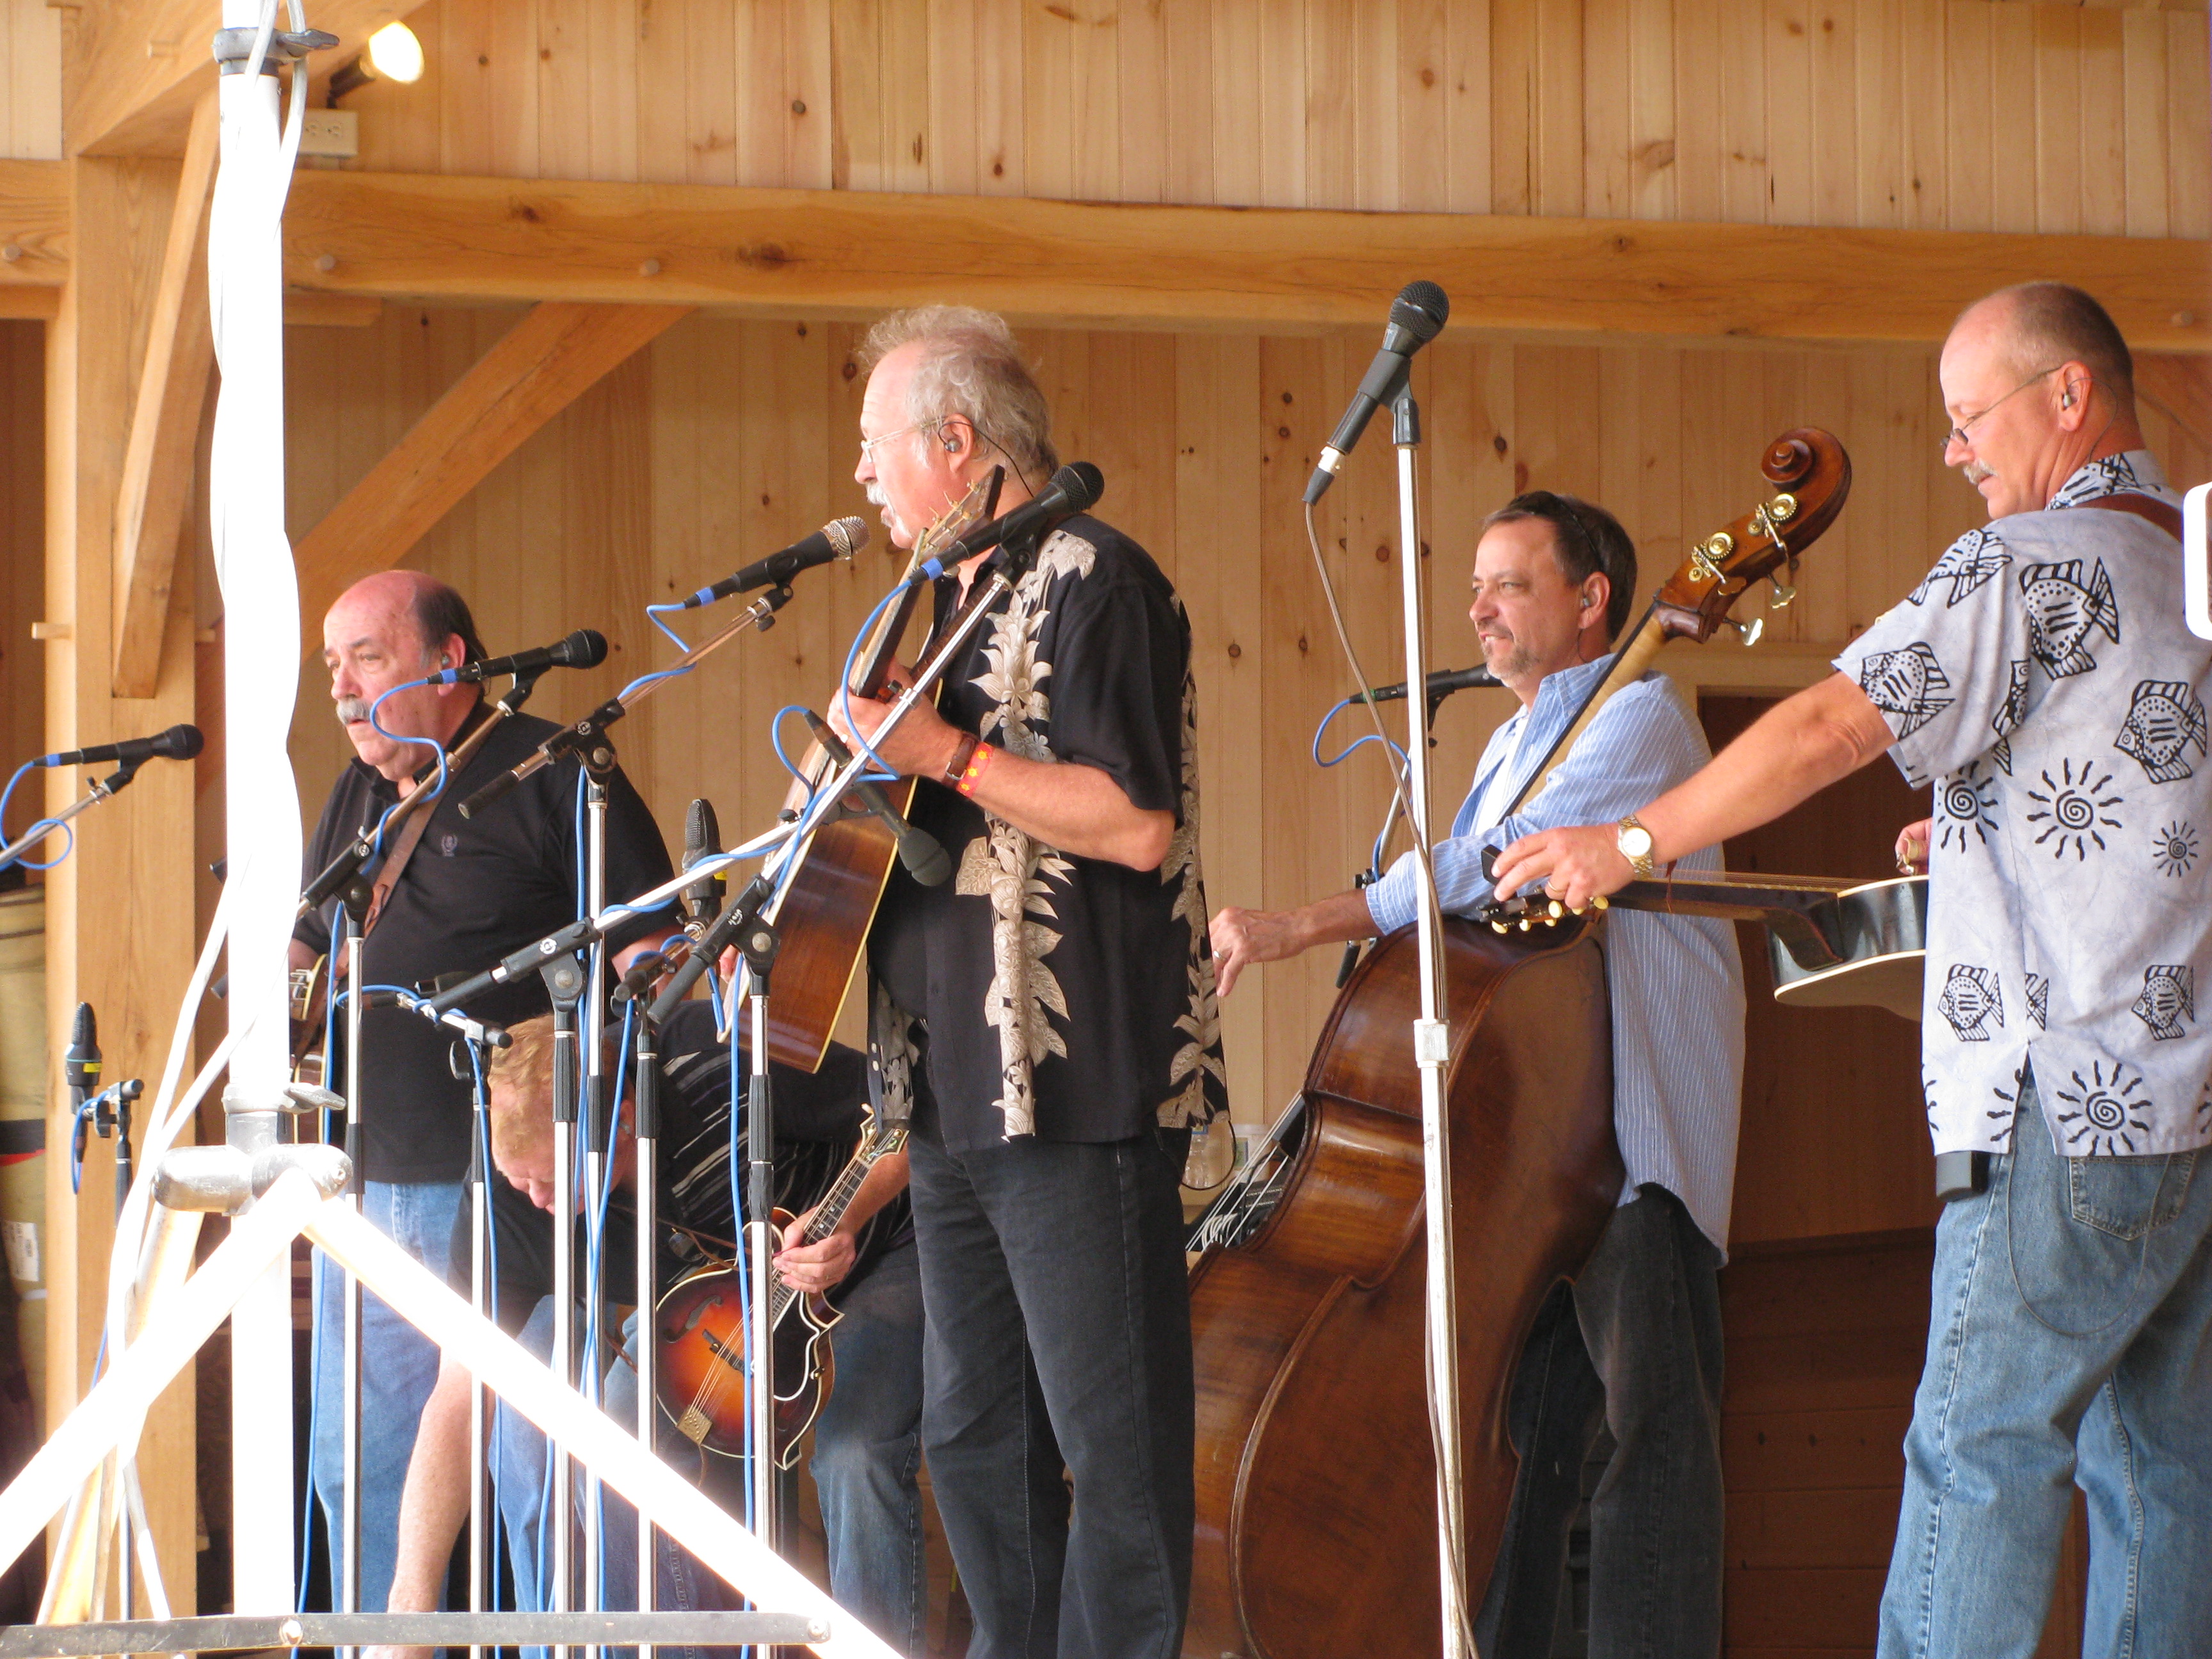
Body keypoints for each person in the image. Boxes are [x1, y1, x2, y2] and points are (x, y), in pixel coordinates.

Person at [1493, 283, 2212, 1658]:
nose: (1954, 450)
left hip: (2057, 1100)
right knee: (2166, 1476)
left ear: (2068, 396)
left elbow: (1831, 723)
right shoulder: (2191, 569)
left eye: (1968, 417)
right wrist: (1989, 827)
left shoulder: (2027, 560)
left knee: (1978, 1456)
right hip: (2188, 1108)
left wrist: (1629, 840)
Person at [1209, 492, 1746, 1656]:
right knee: (1525, 1454)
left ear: (1591, 599)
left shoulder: (1642, 716)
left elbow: (1499, 869)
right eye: (1475, 587)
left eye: (1509, 583)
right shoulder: (1509, 742)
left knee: (1654, 1444)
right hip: (1547, 1151)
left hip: (1640, 1141)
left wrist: (1303, 924)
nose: (1479, 609)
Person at [828, 305, 1229, 1659]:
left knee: (1112, 1447)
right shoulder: (947, 599)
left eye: (879, 445)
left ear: (958, 442)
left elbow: (1136, 821)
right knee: (973, 1434)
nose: (863, 475)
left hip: (1073, 1085)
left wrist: (941, 755)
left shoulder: (1095, 578)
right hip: (954, 1093)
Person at [291, 570, 673, 1612]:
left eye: (366, 658)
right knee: (360, 1472)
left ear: (450, 659)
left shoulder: (556, 772)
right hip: (363, 1182)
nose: (341, 687)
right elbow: (309, 945)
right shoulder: (359, 792)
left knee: (521, 1468)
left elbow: (653, 955)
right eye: (332, 665)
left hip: (503, 1187)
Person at [371, 997, 929, 1656]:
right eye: (520, 1182)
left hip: (876, 1257)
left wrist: (852, 1218)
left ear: (623, 1120)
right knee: (610, 1457)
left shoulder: (717, 1058)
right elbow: (459, 1394)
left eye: (553, 1179)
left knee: (855, 1458)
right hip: (721, 1318)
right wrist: (407, 1619)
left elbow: (910, 1119)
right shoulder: (507, 1199)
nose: (540, 1203)